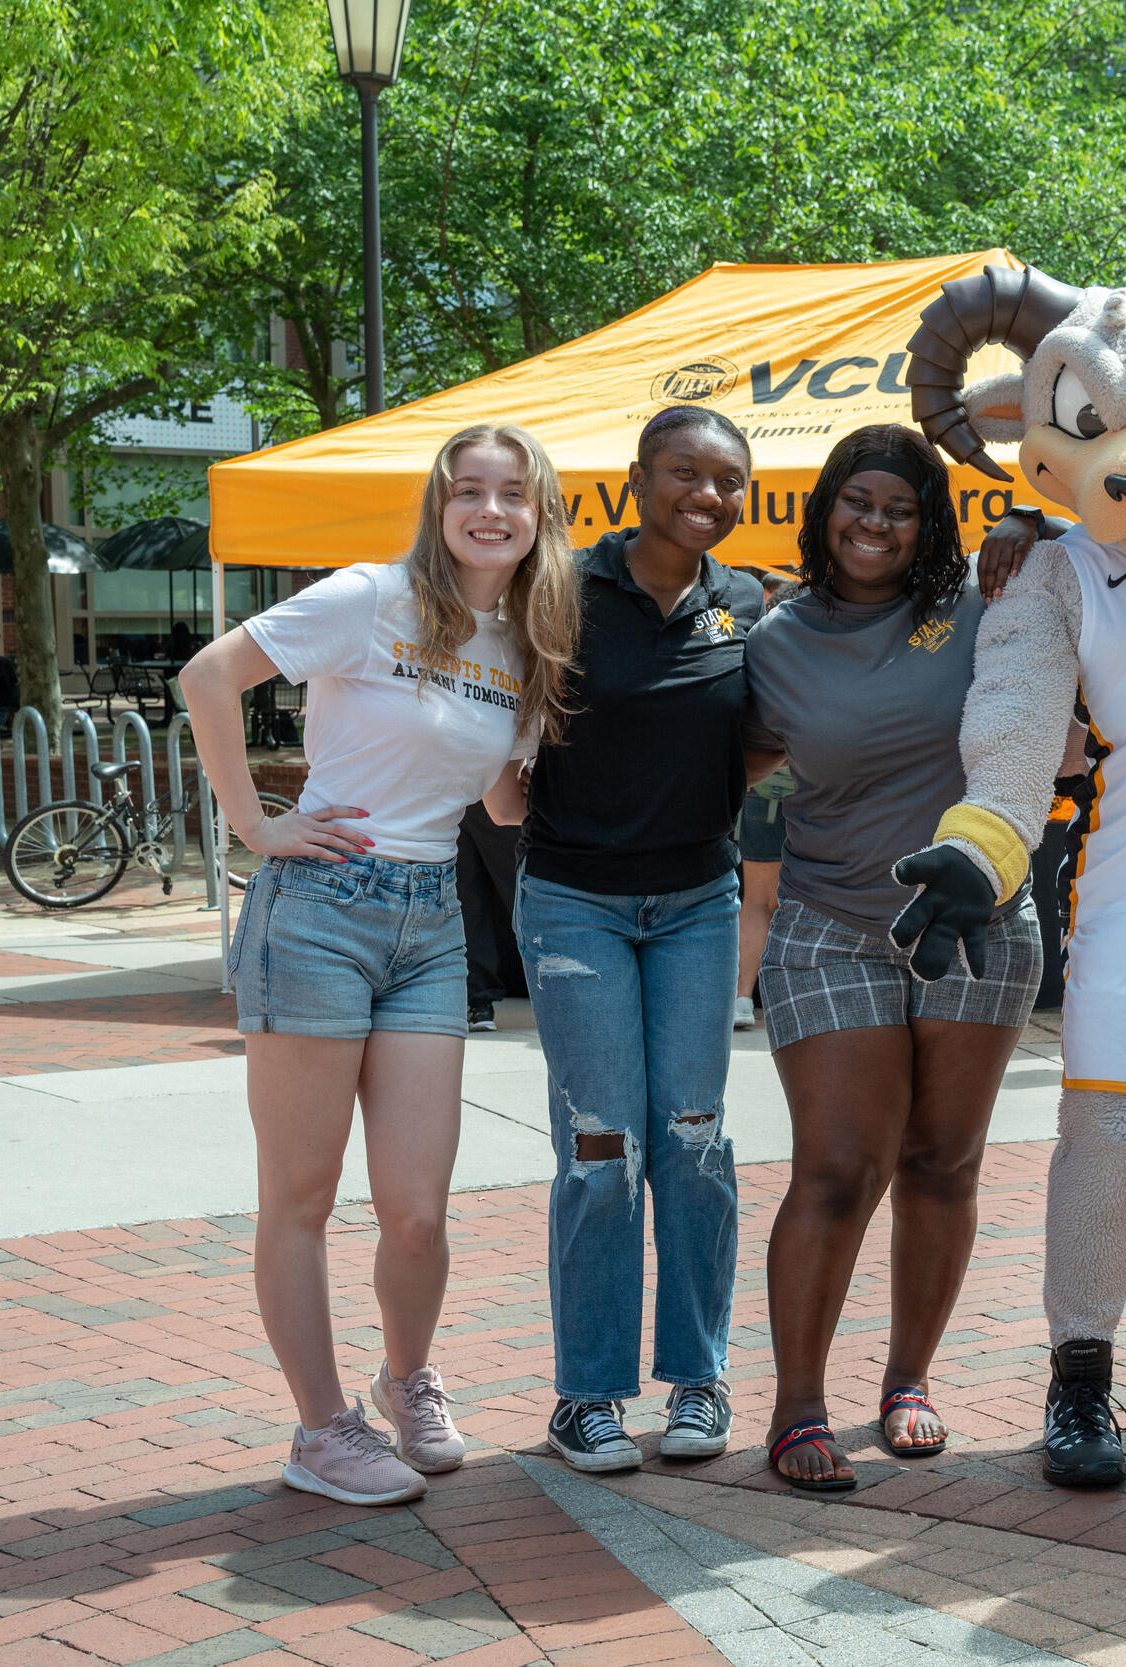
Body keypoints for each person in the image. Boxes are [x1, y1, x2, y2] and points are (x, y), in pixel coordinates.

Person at [179, 421, 580, 1506]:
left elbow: (502, 801)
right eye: (468, 490)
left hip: (430, 919)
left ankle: (407, 1380)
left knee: (417, 1207)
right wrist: (253, 825)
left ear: (540, 513)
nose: (489, 510)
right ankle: (320, 1430)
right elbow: (209, 675)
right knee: (301, 1193)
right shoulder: (369, 595)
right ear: (439, 505)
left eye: (512, 493)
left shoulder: (528, 645)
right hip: (319, 904)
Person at [740, 424, 1049, 1491]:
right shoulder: (773, 641)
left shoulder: (982, 603)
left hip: (978, 920)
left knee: (941, 1162)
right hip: (831, 921)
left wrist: (1030, 515)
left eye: (900, 507)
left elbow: (1095, 539)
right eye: (857, 500)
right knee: (836, 1169)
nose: (874, 522)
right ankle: (797, 1404)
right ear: (825, 508)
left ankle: (909, 1379)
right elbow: (729, 761)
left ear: (930, 523)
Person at [481, 404, 770, 1475]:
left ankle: (699, 1375)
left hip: (697, 901)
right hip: (576, 905)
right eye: (685, 472)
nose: (708, 494)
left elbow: (760, 732)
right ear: (639, 480)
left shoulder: (746, 601)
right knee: (602, 1149)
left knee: (693, 1138)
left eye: (728, 481)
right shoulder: (559, 587)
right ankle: (588, 1396)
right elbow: (498, 736)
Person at [734, 567, 799, 1031]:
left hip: (763, 792)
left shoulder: (759, 654)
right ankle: (788, 999)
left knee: (756, 900)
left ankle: (741, 999)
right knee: (810, 901)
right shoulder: (833, 655)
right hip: (822, 797)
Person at [457, 800, 523, 1031]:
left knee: (467, 897)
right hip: (487, 789)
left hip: (454, 792)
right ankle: (478, 1000)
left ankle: (479, 1002)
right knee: (519, 889)